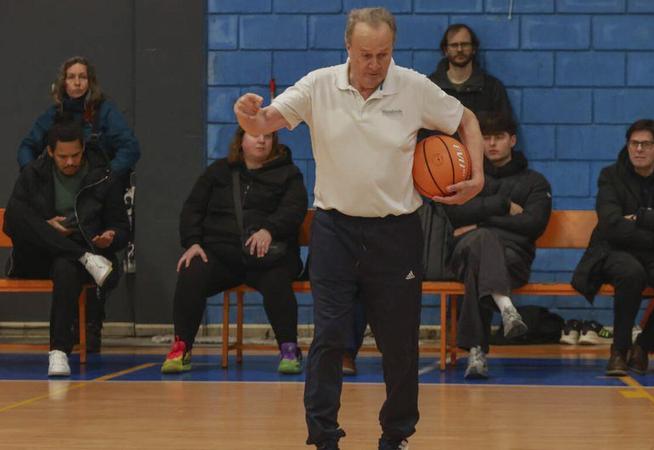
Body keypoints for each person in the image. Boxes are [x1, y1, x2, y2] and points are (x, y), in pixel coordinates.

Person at [232, 7, 484, 450]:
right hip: (334, 230)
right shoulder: (318, 85)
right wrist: (248, 115)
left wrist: (477, 175)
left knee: (399, 343)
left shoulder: (412, 86)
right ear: (348, 47)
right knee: (329, 337)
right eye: (365, 54)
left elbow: (467, 120)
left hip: (397, 233)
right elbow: (265, 121)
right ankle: (323, 435)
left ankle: (396, 434)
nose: (374, 64)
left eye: (383, 54)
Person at [17, 56, 141, 352]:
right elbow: (26, 147)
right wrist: (33, 176)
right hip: (59, 200)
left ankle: (92, 323)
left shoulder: (105, 112)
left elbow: (130, 147)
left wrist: (108, 177)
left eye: (82, 77)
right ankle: (71, 325)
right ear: (63, 82)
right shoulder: (53, 114)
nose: (76, 82)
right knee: (68, 261)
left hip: (96, 197)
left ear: (90, 82)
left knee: (102, 253)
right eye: (70, 77)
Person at [160, 127, 307, 375]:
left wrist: (269, 229)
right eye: (255, 134)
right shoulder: (218, 172)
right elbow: (192, 209)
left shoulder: (289, 174)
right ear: (241, 140)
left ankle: (289, 348)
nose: (261, 139)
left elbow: (294, 209)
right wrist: (193, 242)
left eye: (268, 135)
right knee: (191, 270)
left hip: (267, 257)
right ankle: (181, 346)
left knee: (277, 281)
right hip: (222, 256)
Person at [572, 119, 654, 376]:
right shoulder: (611, 176)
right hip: (615, 250)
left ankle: (643, 346)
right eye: (634, 143)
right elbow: (610, 225)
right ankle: (619, 351)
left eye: (646, 144)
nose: (639, 149)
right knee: (631, 273)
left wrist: (641, 216)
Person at [4, 120, 128, 377]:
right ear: (50, 153)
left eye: (75, 156)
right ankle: (82, 257)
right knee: (16, 213)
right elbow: (13, 222)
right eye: (63, 157)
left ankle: (59, 352)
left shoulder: (102, 176)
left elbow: (122, 228)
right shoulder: (33, 173)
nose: (70, 162)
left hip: (83, 250)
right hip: (37, 255)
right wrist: (45, 225)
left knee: (65, 266)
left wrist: (111, 236)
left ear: (83, 150)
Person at [442, 112, 552, 380]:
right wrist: (502, 208)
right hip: (462, 254)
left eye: (498, 138)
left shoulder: (534, 182)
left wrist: (480, 224)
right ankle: (506, 308)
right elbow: (454, 215)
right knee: (481, 247)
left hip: (513, 259)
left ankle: (477, 351)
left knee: (479, 260)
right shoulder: (467, 178)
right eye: (485, 138)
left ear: (512, 140)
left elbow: (533, 224)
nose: (491, 144)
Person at [428, 24, 513, 118]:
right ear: (445, 50)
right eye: (454, 45)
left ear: (473, 49)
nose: (459, 49)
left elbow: (506, 127)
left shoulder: (492, 88)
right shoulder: (430, 86)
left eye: (465, 44)